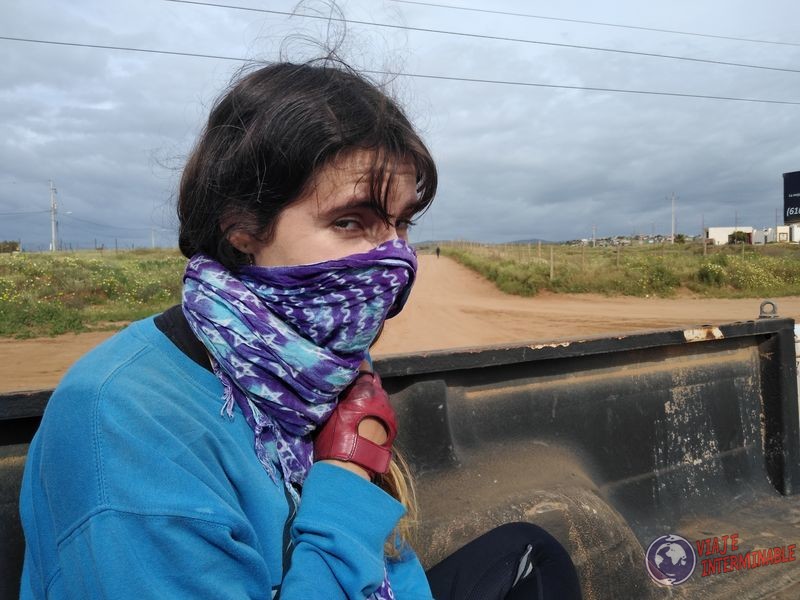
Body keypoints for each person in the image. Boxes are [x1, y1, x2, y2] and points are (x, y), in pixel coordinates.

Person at [19, 60, 581, 599]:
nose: (394, 259)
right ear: (241, 227)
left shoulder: (298, 365)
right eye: (348, 222)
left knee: (533, 554)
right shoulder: (125, 424)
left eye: (400, 223)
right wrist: (346, 471)